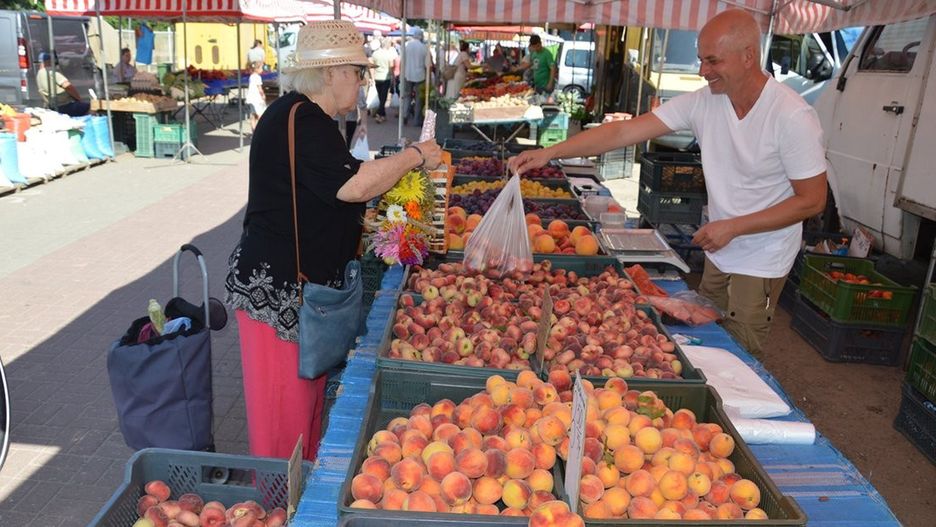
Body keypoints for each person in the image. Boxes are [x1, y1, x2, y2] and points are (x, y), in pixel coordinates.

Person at [508, 9, 828, 355]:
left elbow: (811, 200)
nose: (703, 71)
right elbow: (623, 131)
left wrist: (734, 227)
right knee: (704, 338)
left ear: (748, 56)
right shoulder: (706, 102)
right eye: (700, 60)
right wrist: (549, 153)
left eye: (712, 61)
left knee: (739, 352)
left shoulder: (792, 116)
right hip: (719, 248)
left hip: (762, 256)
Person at [224, 20, 442, 462]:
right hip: (280, 295)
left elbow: (328, 188)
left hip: (302, 295)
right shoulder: (302, 119)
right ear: (329, 73)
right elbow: (353, 187)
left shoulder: (305, 116)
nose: (362, 82)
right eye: (356, 72)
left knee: (303, 413)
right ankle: (278, 507)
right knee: (283, 423)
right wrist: (415, 156)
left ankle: (296, 498)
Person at [36, 52, 89, 117]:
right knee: (90, 107)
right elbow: (68, 87)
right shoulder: (51, 72)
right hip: (64, 106)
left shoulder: (39, 74)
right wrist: (79, 99)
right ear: (48, 61)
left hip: (53, 105)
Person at [402, 28, 432, 124]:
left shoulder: (407, 46)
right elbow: (428, 65)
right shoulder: (424, 48)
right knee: (419, 98)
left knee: (407, 96)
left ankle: (405, 114)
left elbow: (403, 61)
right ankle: (416, 120)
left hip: (407, 74)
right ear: (421, 36)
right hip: (420, 75)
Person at [370, 37, 397, 123]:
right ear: (388, 45)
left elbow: (372, 66)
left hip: (377, 77)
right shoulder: (389, 54)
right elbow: (391, 66)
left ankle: (383, 115)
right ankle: (379, 114)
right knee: (383, 97)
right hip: (386, 77)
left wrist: (373, 77)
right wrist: (393, 77)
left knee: (380, 96)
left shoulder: (375, 53)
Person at [245, 61, 267, 132]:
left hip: (251, 98)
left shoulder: (251, 76)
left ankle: (253, 130)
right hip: (257, 98)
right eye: (261, 68)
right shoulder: (258, 77)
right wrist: (263, 95)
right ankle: (261, 130)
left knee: (252, 115)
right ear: (257, 69)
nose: (262, 70)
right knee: (260, 114)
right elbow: (259, 89)